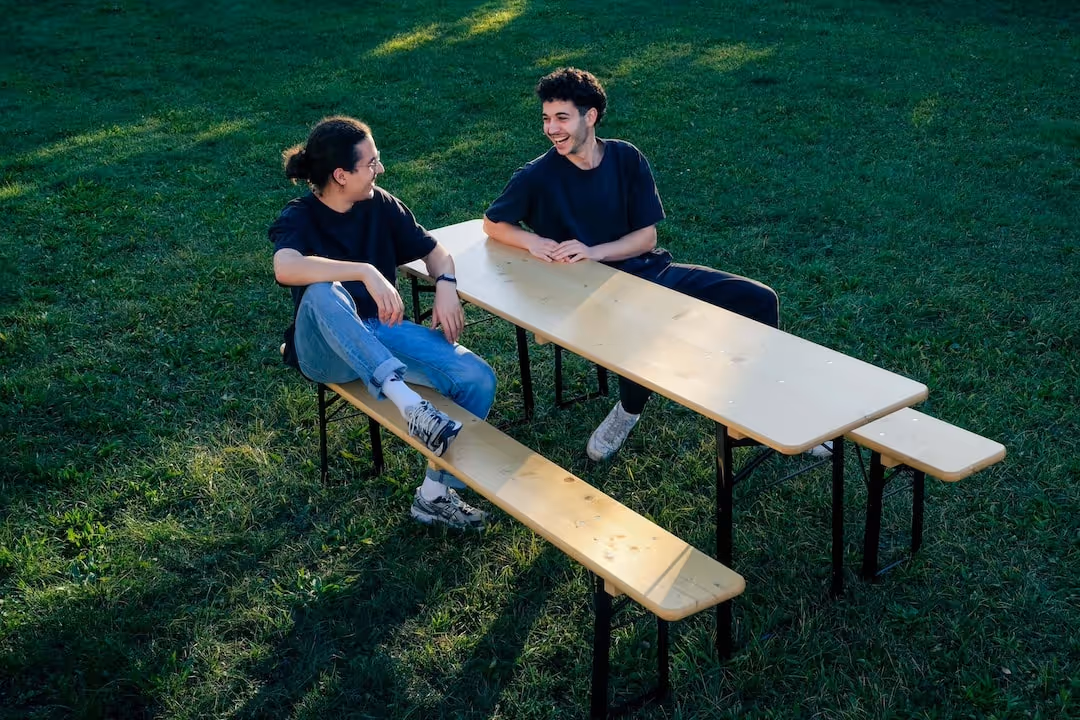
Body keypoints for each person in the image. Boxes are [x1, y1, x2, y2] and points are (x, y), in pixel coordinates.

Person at [483, 67, 783, 462]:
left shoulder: (625, 157)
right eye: (546, 118)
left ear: (589, 117)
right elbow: (492, 223)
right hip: (588, 292)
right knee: (638, 324)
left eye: (561, 118)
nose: (551, 129)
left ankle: (763, 409)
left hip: (649, 272)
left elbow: (646, 239)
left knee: (760, 299)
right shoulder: (537, 176)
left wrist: (593, 250)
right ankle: (627, 411)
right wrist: (535, 241)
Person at [270, 116, 495, 529]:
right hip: (324, 349)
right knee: (322, 289)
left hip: (379, 332)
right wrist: (364, 271)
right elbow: (286, 267)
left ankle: (434, 495)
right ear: (341, 175)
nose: (380, 169)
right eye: (371, 163)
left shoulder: (380, 204)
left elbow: (435, 251)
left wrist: (445, 284)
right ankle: (409, 404)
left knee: (476, 376)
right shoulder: (301, 215)